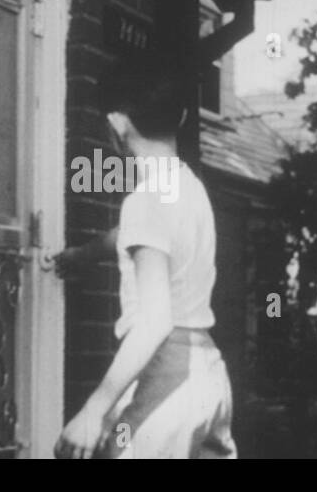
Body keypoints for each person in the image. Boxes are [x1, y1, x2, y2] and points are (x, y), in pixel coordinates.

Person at [52, 56, 237, 459]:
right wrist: (85, 253)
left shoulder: (145, 201)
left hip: (165, 379)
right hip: (208, 377)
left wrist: (94, 410)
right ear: (184, 115)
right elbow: (140, 238)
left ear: (117, 124)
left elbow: (155, 321)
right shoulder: (188, 188)